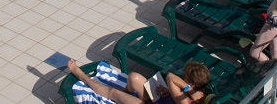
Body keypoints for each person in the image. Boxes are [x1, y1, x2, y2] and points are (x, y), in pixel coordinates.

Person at [64, 57, 209, 104]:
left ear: (191, 82)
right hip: (158, 98)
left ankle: (80, 74)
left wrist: (187, 89)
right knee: (134, 78)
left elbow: (171, 77)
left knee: (112, 92)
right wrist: (169, 91)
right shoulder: (199, 93)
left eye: (184, 78)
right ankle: (125, 95)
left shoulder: (187, 101)